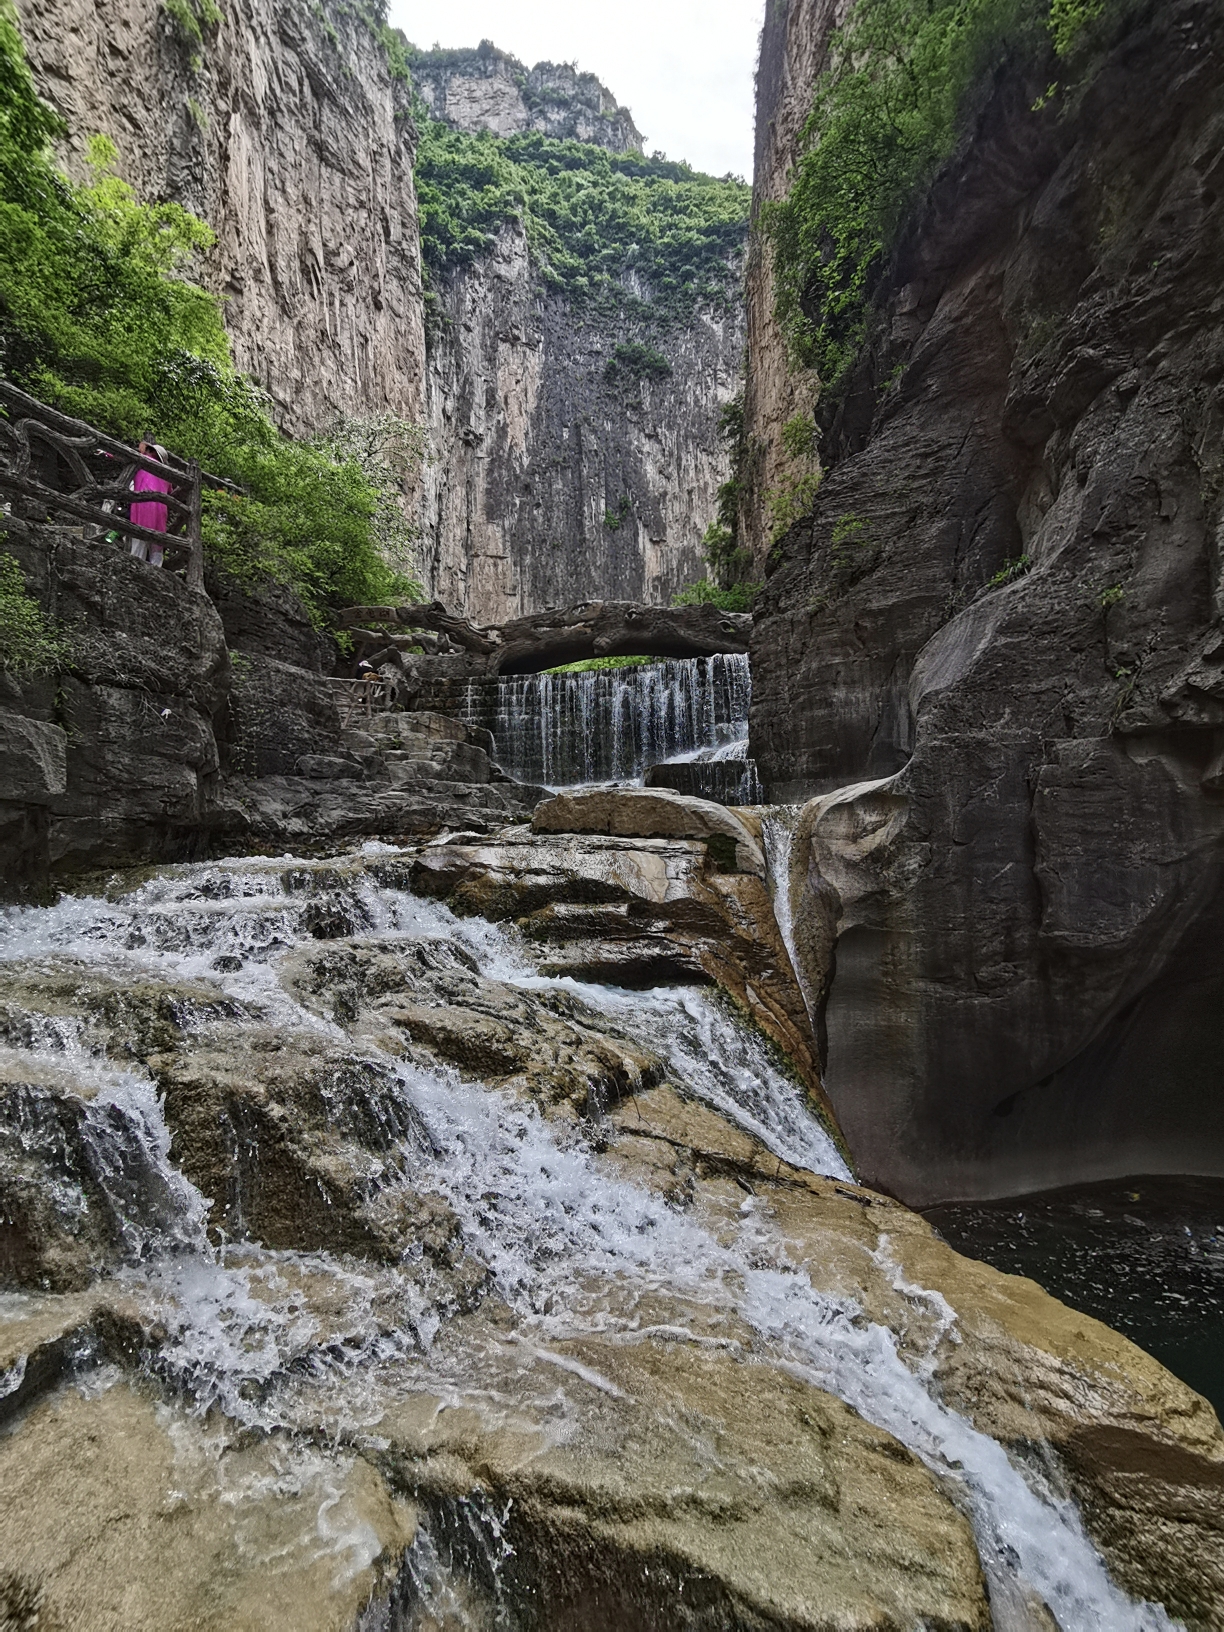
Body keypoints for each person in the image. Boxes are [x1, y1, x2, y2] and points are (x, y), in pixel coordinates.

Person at [130, 440, 172, 566]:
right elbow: (170, 491)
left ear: (150, 451)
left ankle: (135, 568)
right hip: (160, 510)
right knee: (156, 546)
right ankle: (156, 571)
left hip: (142, 505)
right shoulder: (167, 474)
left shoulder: (141, 462)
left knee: (139, 541)